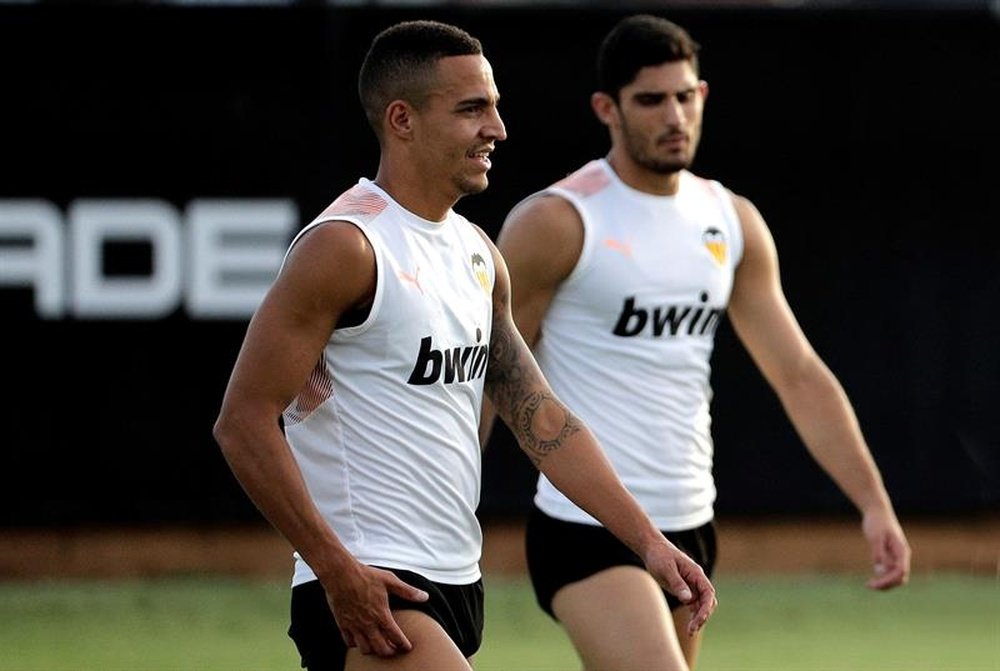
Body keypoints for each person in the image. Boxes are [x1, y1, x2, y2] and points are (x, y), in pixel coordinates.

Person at [212, 19, 715, 671]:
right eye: (473, 109)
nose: (497, 130)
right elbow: (243, 422)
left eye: (496, 107)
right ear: (402, 119)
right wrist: (338, 570)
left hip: (454, 580)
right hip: (375, 583)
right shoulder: (346, 246)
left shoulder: (477, 254)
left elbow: (545, 423)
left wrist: (647, 541)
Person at [483, 13, 912, 671]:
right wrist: (445, 512)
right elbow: (493, 375)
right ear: (608, 109)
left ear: (703, 96)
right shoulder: (558, 220)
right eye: (650, 100)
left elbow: (797, 372)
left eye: (685, 96)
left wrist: (875, 505)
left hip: (691, 520)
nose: (673, 115)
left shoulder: (730, 219)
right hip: (585, 525)